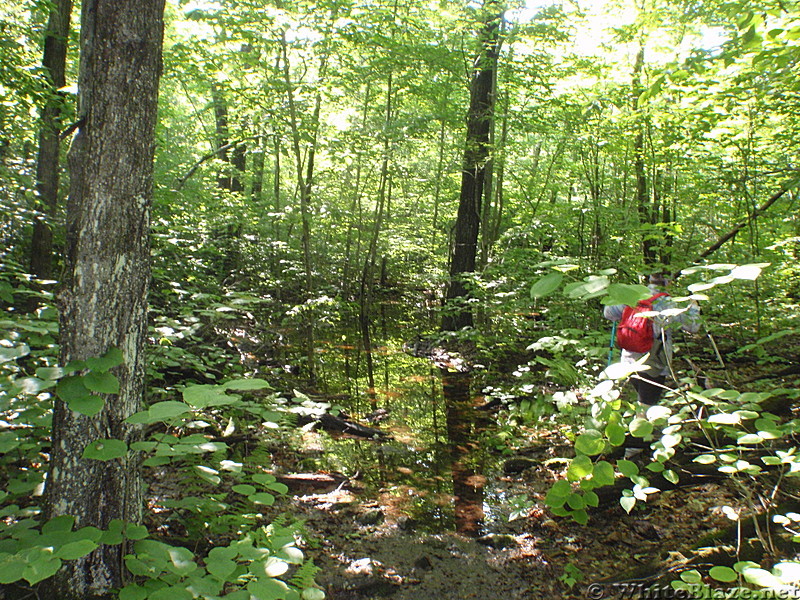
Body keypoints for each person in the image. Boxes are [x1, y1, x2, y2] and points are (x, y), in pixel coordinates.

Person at [604, 273, 700, 406]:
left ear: (649, 279)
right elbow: (693, 326)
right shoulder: (669, 303)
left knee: (642, 400)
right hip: (654, 362)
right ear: (669, 282)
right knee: (646, 406)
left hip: (629, 358)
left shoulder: (633, 295)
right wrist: (694, 306)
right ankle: (641, 424)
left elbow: (608, 313)